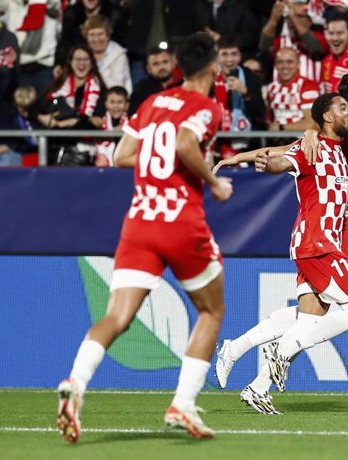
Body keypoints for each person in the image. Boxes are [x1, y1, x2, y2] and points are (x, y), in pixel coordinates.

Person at [214, 71, 348, 414]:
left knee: (315, 315)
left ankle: (244, 360)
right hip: (335, 232)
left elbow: (300, 143)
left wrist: (289, 141)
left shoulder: (343, 133)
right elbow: (295, 149)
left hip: (343, 230)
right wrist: (299, 136)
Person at [55, 32, 233, 443]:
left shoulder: (152, 102)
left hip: (138, 221)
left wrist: (162, 154)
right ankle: (183, 404)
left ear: (177, 67)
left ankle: (75, 384)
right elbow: (186, 141)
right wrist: (213, 182)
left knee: (116, 317)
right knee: (212, 310)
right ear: (212, 67)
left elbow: (121, 155)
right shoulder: (208, 107)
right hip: (179, 220)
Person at [259, 0, 329, 81]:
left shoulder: (320, 37)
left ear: (310, 21)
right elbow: (263, 47)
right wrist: (273, 20)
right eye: (288, 17)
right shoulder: (282, 41)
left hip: (312, 92)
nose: (291, 20)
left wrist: (293, 17)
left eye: (299, 16)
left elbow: (315, 48)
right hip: (284, 92)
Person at [267, 47, 320, 132]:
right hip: (276, 141)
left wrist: (282, 128)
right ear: (275, 65)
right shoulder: (272, 87)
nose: (285, 66)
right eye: (280, 62)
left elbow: (312, 123)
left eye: (289, 62)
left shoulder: (308, 85)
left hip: (300, 141)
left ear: (298, 63)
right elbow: (269, 120)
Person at [83, 15, 132, 94]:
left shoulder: (119, 55)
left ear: (108, 35)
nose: (96, 39)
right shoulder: (82, 54)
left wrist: (96, 74)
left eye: (100, 34)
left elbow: (117, 87)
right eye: (92, 35)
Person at [129, 47, 181, 115]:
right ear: (148, 69)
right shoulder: (141, 89)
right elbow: (134, 115)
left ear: (174, 63)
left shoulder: (185, 86)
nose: (161, 67)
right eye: (156, 64)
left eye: (165, 62)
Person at [96, 85, 129, 167]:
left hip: (124, 166)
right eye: (112, 102)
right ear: (106, 104)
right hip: (103, 166)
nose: (116, 106)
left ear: (126, 105)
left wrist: (125, 129)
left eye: (120, 102)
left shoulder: (132, 123)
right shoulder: (100, 122)